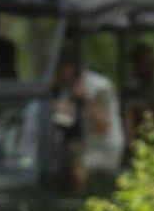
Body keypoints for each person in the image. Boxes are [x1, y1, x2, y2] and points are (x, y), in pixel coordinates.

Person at [52, 47, 124, 196]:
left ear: (71, 67)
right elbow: (65, 121)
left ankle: (77, 204)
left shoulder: (99, 87)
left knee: (76, 166)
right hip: (85, 146)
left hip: (105, 149)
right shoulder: (67, 87)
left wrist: (86, 99)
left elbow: (102, 126)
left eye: (61, 68)